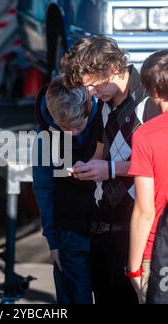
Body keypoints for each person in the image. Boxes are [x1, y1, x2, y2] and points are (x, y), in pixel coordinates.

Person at [61, 36, 159, 304]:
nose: (92, 93)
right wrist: (89, 167)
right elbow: (101, 150)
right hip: (103, 219)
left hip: (136, 222)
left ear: (114, 68)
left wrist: (111, 169)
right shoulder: (105, 103)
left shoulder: (149, 101)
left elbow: (159, 164)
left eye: (94, 85)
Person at [32, 77, 98, 304]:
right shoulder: (45, 136)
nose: (71, 133)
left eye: (78, 126)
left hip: (109, 227)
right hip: (69, 231)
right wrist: (53, 241)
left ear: (89, 107)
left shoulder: (108, 113)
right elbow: (44, 188)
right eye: (64, 128)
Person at [128, 50, 168, 304]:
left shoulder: (146, 136)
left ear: (151, 90)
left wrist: (134, 267)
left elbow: (145, 210)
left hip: (159, 251)